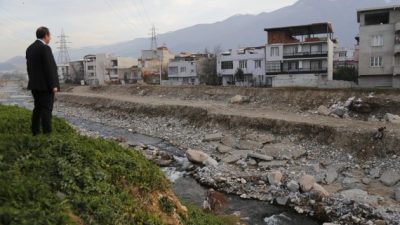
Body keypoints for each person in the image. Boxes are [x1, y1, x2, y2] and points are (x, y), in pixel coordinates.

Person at [26, 26, 60, 136]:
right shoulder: (45, 48)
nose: (50, 38)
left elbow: (29, 68)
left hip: (34, 85)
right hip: (46, 86)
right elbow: (50, 68)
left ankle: (35, 132)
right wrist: (54, 85)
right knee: (46, 110)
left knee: (37, 109)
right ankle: (47, 134)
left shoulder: (29, 48)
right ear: (46, 36)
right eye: (49, 36)